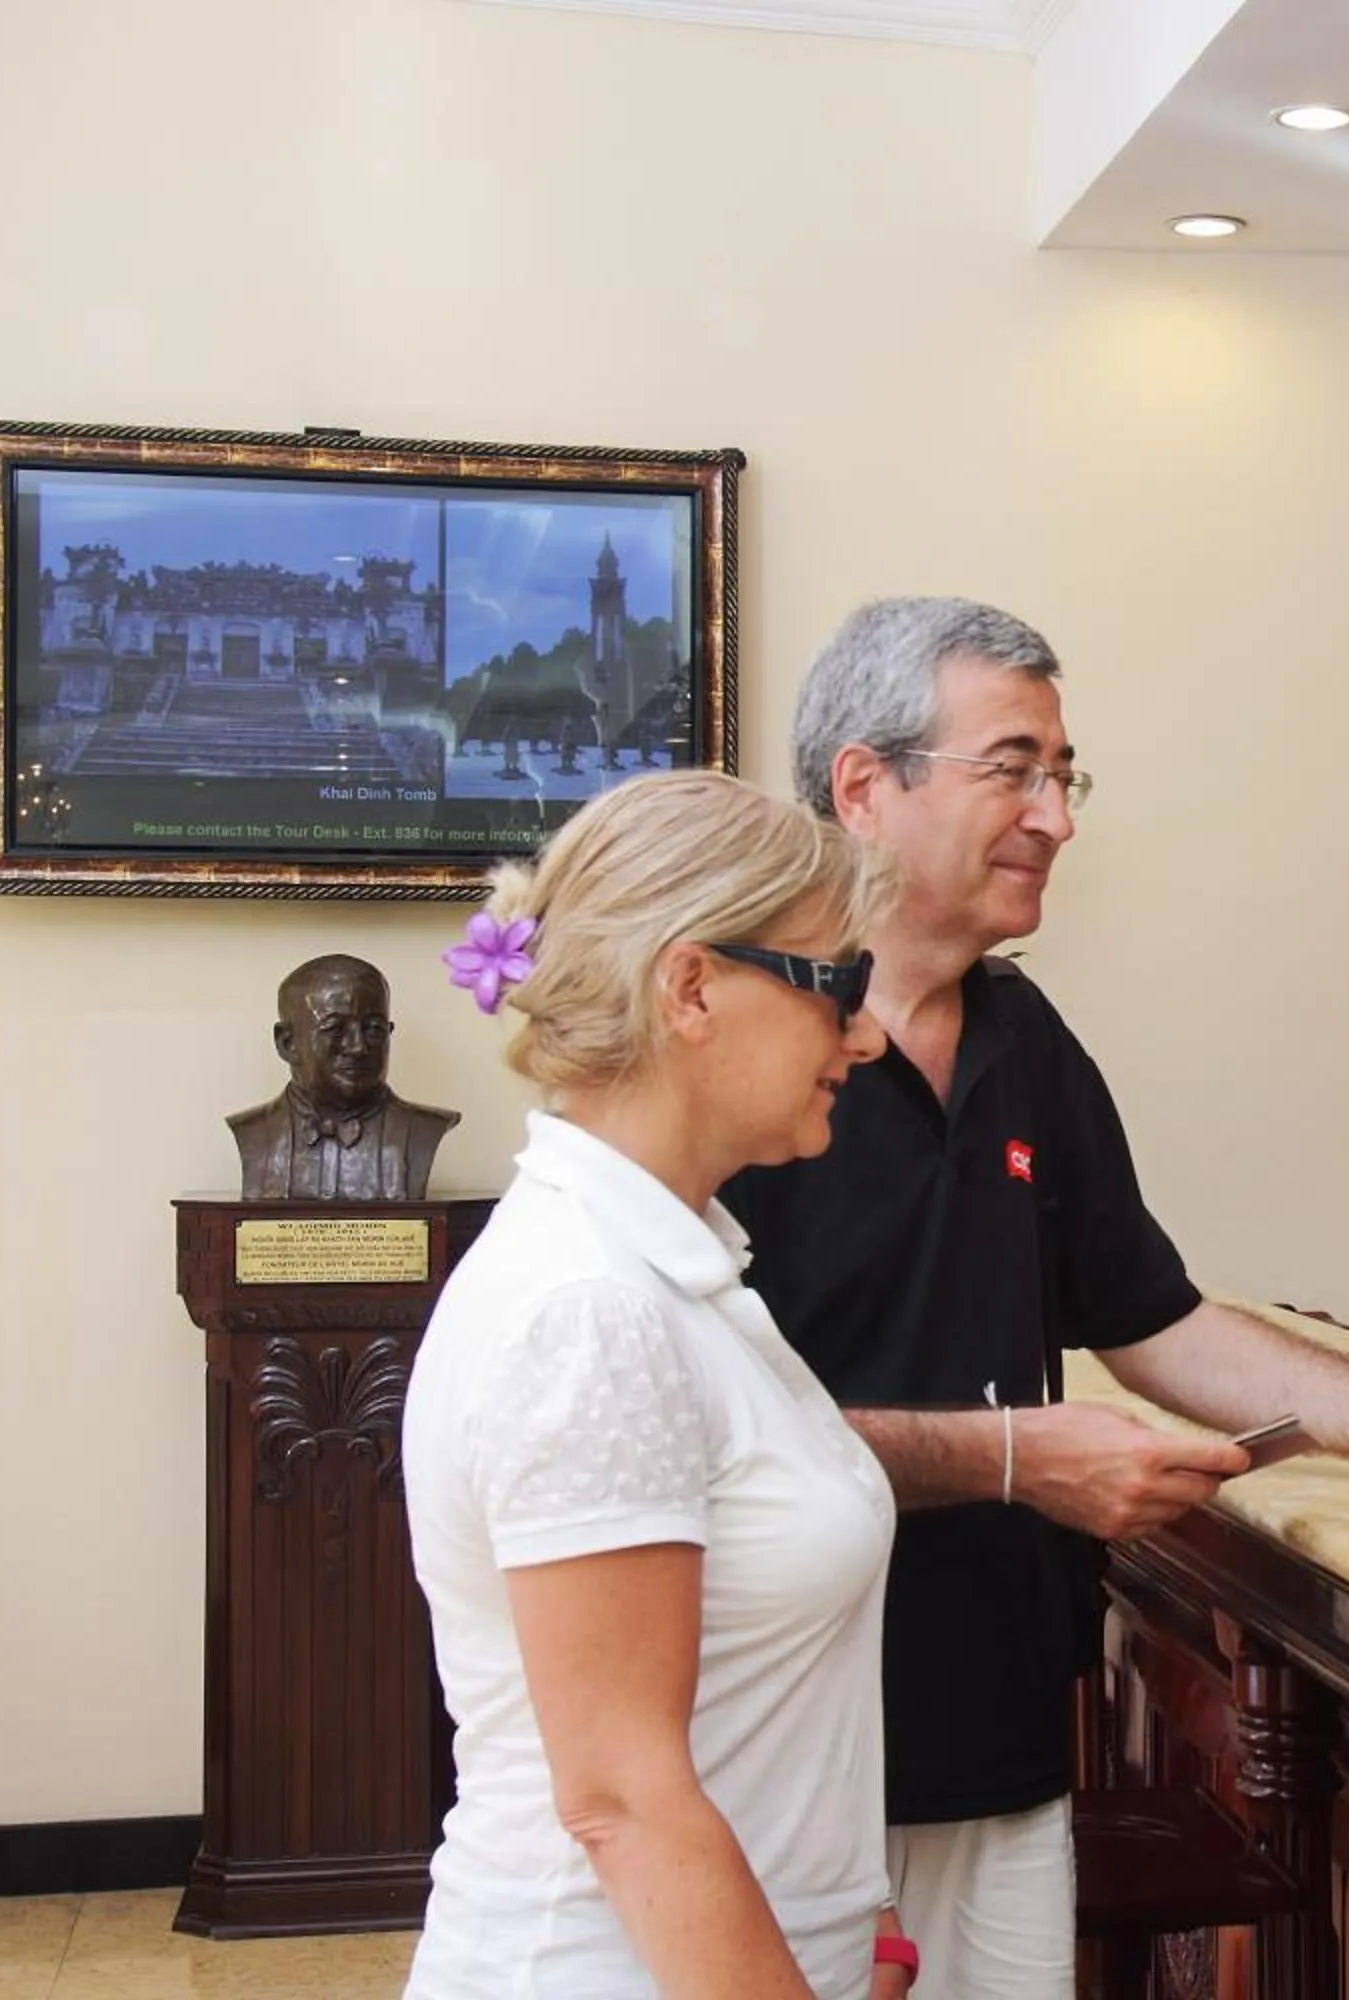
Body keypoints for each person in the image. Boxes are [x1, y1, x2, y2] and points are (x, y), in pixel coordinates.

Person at [719, 596, 1349, 2000]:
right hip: (778, 1742)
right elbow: (706, 1445)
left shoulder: (1025, 1039)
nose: (1057, 817)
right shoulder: (736, 1049)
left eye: (1066, 775)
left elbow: (1157, 1322)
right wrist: (1012, 1459)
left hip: (1000, 1730)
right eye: (1015, 768)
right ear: (865, 786)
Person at [401, 771, 915, 1999]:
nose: (866, 1035)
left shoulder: (673, 1267)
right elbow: (622, 1799)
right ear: (690, 987)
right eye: (839, 984)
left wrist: (864, 1929)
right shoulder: (587, 1310)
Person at [227, 953, 460, 1200]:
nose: (358, 1047)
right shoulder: (252, 1132)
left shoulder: (424, 1129)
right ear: (287, 1043)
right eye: (334, 1029)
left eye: (373, 1029)